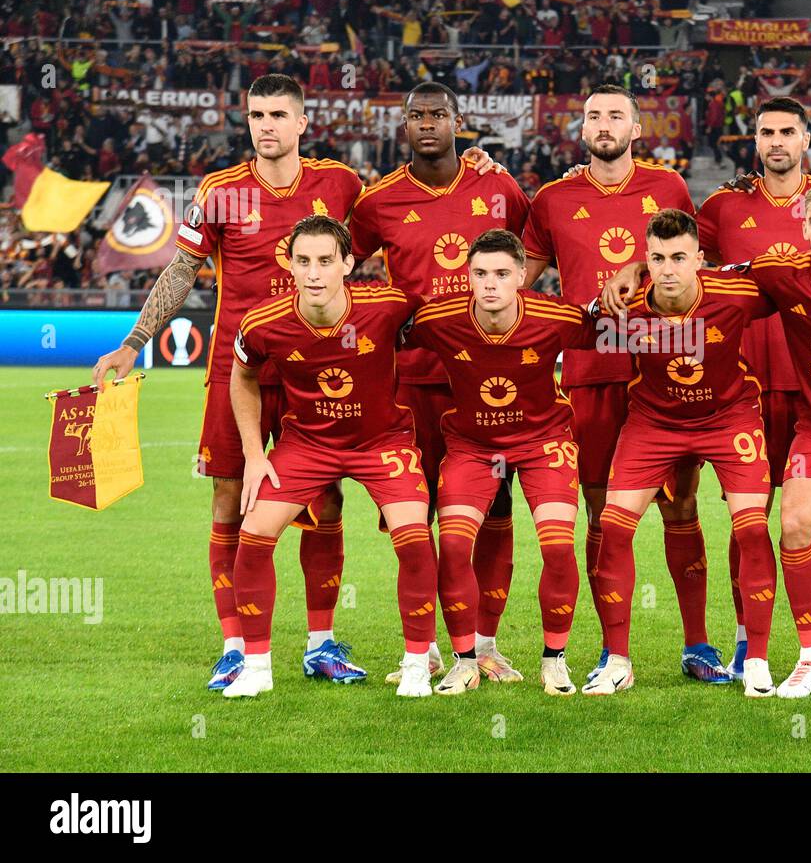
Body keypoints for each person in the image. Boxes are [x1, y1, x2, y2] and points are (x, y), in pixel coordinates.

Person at [603, 178, 811, 702]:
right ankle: (810, 657)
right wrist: (637, 268)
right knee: (793, 524)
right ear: (803, 227)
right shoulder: (778, 275)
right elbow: (702, 275)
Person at [91, 74, 367, 690]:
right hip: (235, 369)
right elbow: (181, 269)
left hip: (316, 367)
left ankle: (321, 643)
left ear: (302, 123)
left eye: (277, 115)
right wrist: (133, 344)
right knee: (227, 498)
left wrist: (476, 161)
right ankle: (237, 646)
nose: (265, 125)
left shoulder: (340, 184)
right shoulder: (221, 192)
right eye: (255, 115)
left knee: (324, 498)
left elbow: (395, 227)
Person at [522, 84, 727, 684]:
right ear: (580, 128)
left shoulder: (669, 189)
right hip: (588, 373)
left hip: (661, 368)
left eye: (615, 115)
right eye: (592, 115)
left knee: (681, 506)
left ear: (637, 129)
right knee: (601, 513)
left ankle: (698, 645)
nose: (603, 124)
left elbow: (692, 261)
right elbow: (523, 281)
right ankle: (617, 654)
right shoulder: (553, 198)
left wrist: (637, 266)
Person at [349, 82, 531, 685]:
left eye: (439, 115)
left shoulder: (497, 186)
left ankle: (485, 644)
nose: (428, 124)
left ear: (459, 122)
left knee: (495, 507)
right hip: (414, 384)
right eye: (417, 116)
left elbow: (536, 249)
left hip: (489, 379)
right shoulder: (378, 202)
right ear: (404, 126)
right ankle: (424, 644)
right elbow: (340, 266)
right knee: (416, 511)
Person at [221, 215, 437, 700]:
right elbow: (243, 377)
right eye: (303, 262)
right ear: (289, 265)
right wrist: (255, 457)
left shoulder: (389, 304)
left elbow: (442, 323)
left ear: (347, 263)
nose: (314, 273)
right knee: (253, 534)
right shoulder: (262, 323)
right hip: (307, 446)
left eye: (324, 261)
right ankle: (257, 667)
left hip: (383, 442)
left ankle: (417, 663)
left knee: (414, 537)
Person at [694, 96, 811, 684]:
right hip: (742, 390)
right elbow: (681, 258)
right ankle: (747, 640)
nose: (777, 142)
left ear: (807, 136)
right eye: (767, 132)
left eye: (788, 131)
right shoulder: (722, 206)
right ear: (754, 140)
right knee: (750, 519)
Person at [582, 210, 779, 698]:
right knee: (612, 524)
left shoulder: (738, 293)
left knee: (752, 527)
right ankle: (618, 660)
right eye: (658, 259)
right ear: (645, 261)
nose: (669, 269)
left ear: (699, 259)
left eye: (678, 258)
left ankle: (756, 659)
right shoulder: (622, 306)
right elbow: (575, 323)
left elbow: (794, 286)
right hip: (654, 423)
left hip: (729, 417)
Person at [403, 230, 600, 696]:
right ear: (467, 276)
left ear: (521, 277)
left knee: (556, 547)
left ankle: (555, 660)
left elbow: (610, 325)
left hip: (543, 442)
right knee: (452, 548)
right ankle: (464, 660)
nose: (490, 284)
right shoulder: (439, 317)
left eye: (502, 274)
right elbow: (381, 327)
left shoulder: (553, 315)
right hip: (472, 446)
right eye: (480, 274)